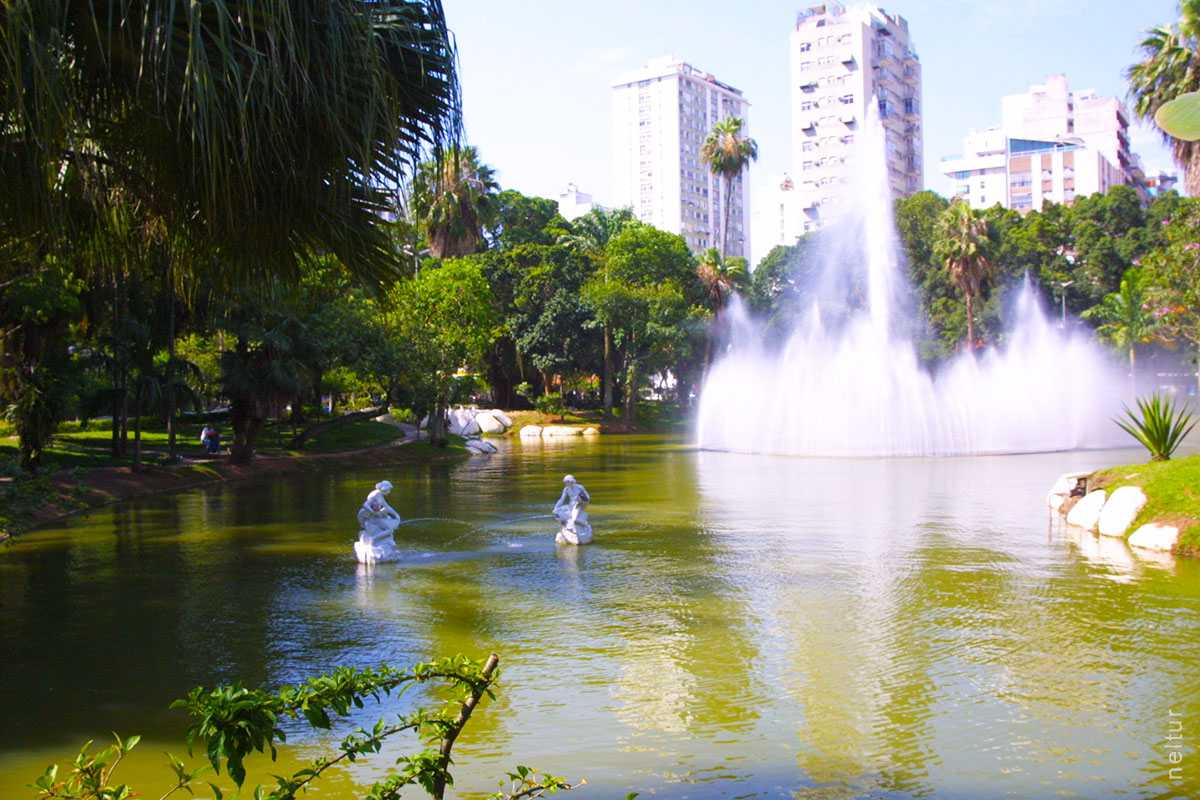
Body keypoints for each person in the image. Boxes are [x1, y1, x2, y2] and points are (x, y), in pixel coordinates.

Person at [354, 480, 402, 564]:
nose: (389, 492)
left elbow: (386, 506)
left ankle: (380, 541)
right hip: (370, 517)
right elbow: (365, 505)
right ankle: (373, 539)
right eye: (389, 489)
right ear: (385, 488)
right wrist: (374, 513)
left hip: (374, 516)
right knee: (389, 530)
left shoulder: (379, 494)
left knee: (387, 519)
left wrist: (396, 515)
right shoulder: (375, 494)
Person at [553, 474, 593, 545]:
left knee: (574, 519)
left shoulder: (580, 487)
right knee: (558, 512)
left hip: (579, 505)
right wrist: (556, 507)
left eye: (566, 482)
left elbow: (588, 497)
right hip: (571, 506)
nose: (565, 484)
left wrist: (582, 500)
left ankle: (585, 525)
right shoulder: (566, 489)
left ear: (571, 481)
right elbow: (561, 499)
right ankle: (567, 527)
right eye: (565, 482)